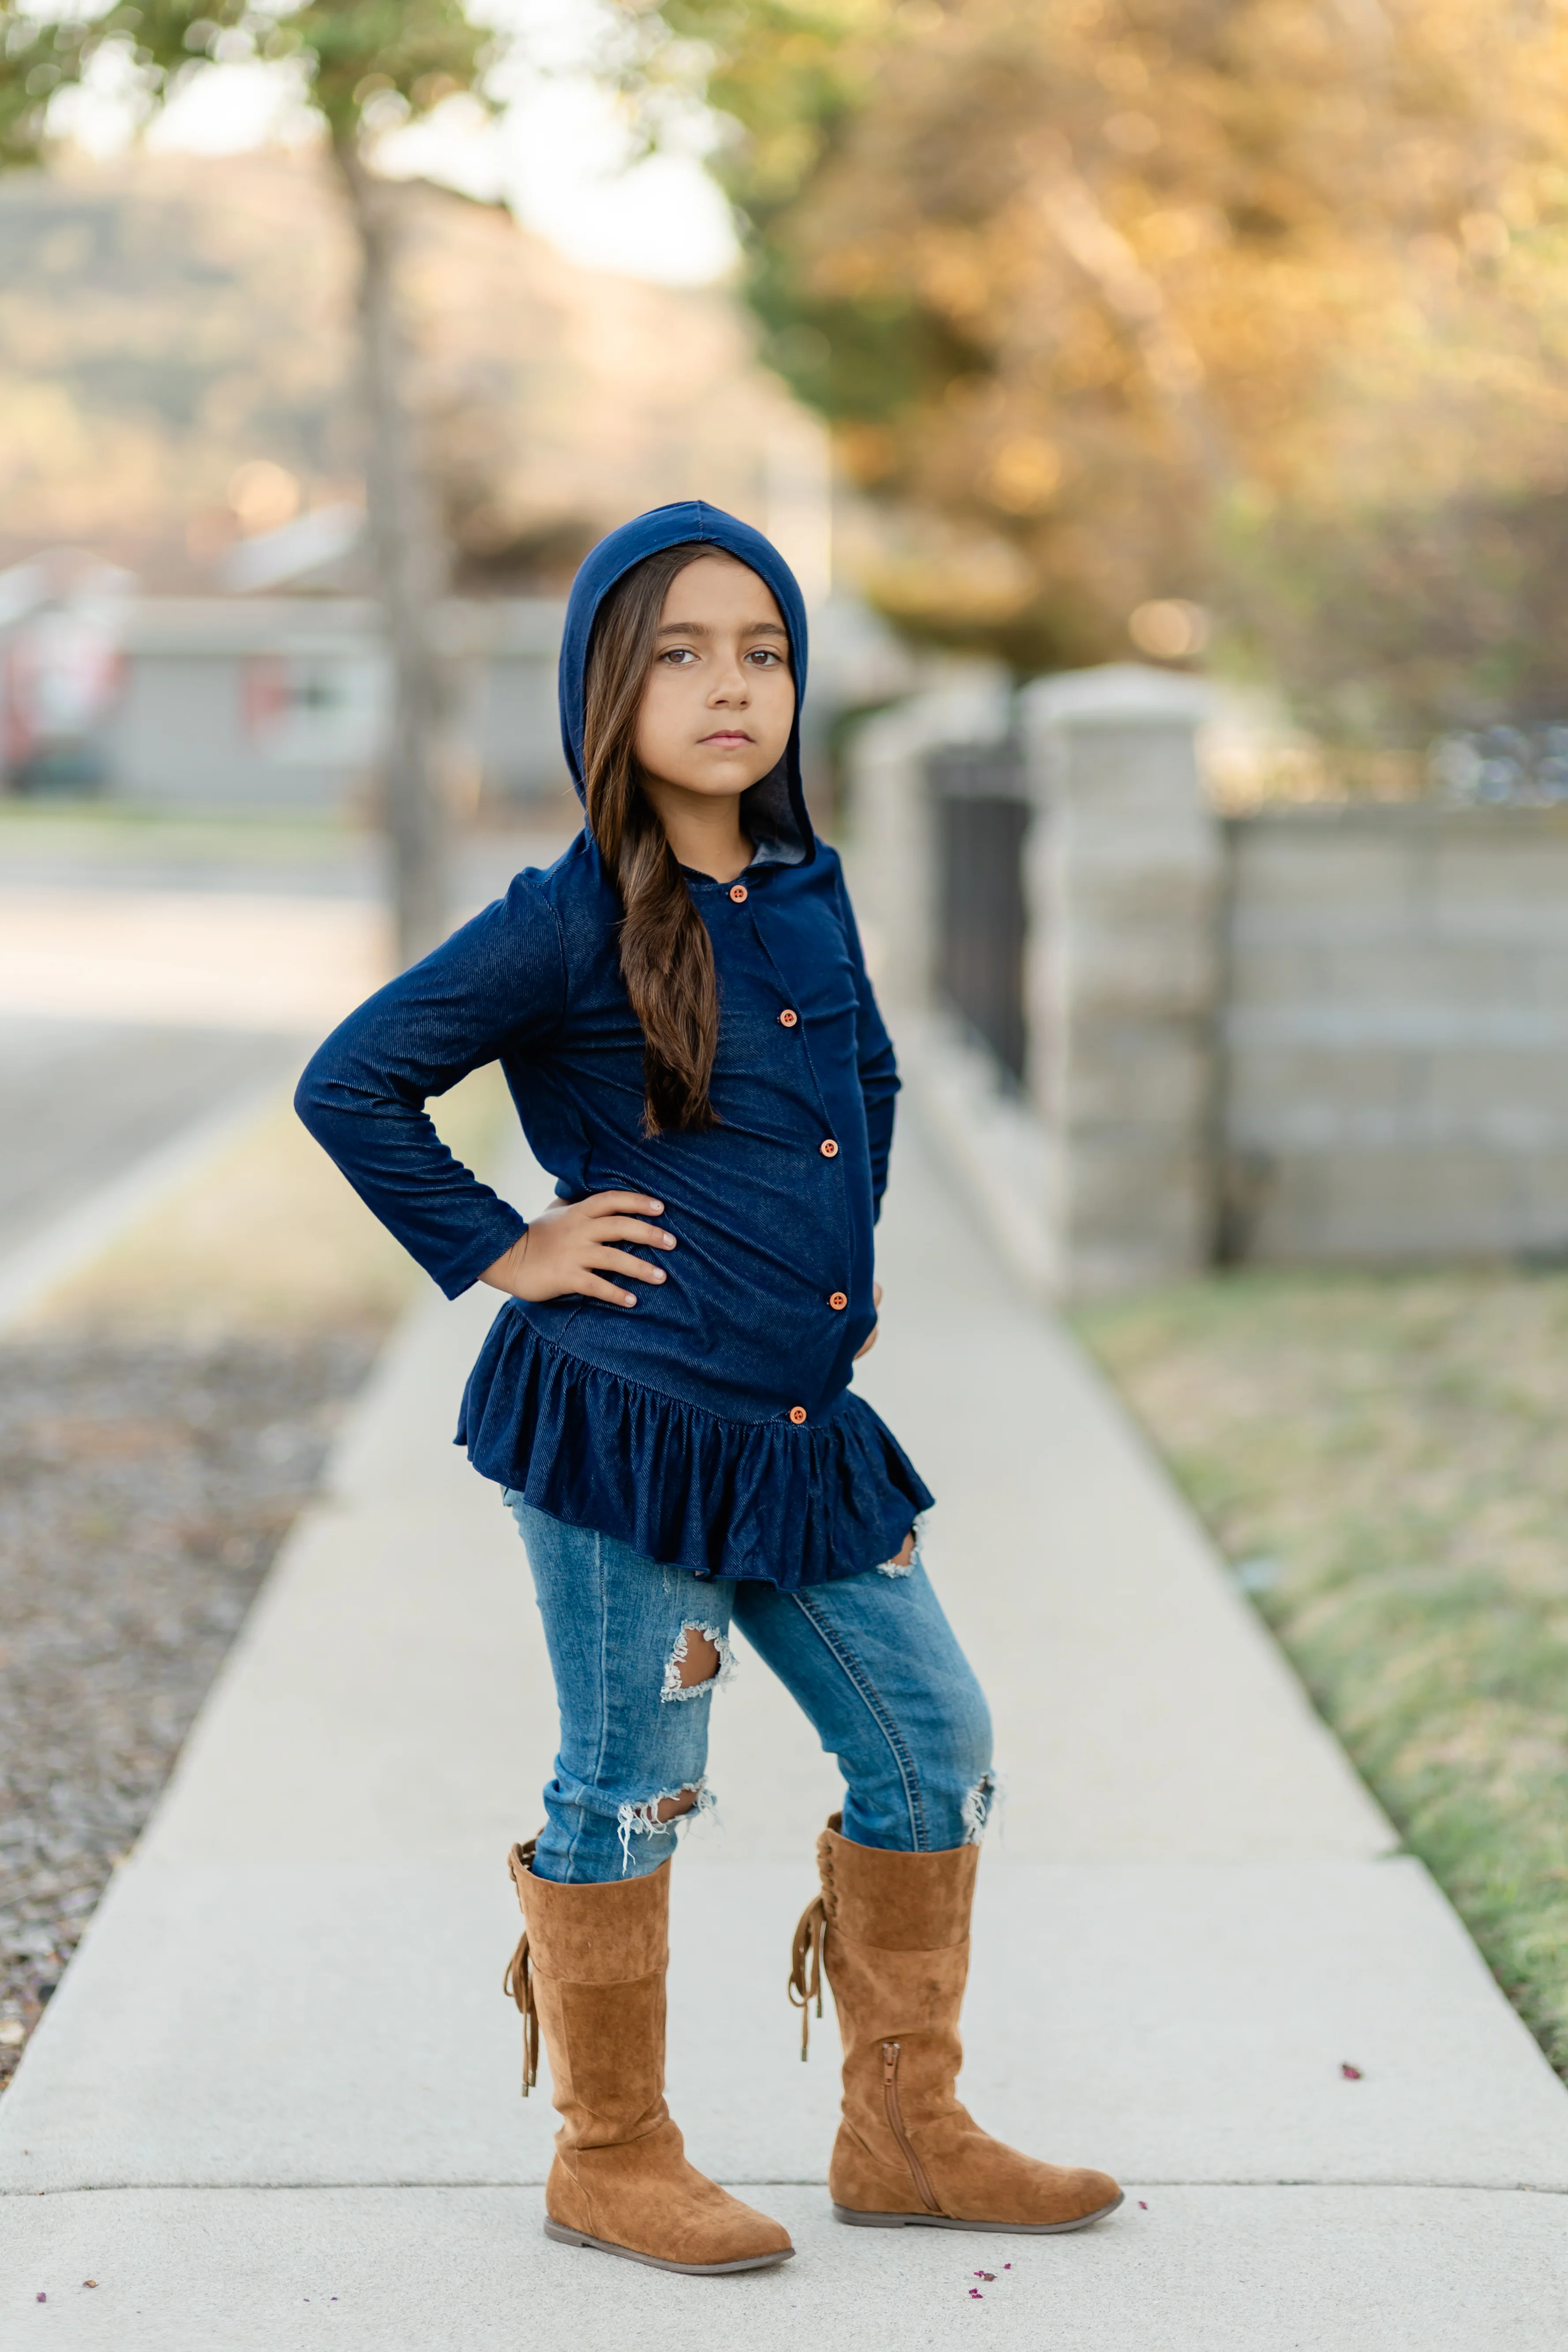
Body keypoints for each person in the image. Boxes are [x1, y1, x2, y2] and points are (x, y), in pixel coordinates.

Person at [296, 502, 1121, 2277]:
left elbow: (872, 1087)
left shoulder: (811, 889)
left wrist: (845, 1284)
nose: (730, 684)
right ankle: (614, 2150)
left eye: (762, 650)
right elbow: (354, 1081)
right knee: (633, 1779)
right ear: (607, 686)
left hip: (803, 1436)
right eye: (679, 651)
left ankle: (906, 2126)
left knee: (936, 1741)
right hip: (629, 1426)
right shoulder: (566, 917)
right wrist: (507, 1244)